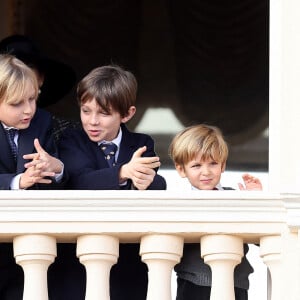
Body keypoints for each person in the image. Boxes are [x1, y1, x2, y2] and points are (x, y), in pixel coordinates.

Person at [58, 64, 166, 299]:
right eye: (86, 111)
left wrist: (149, 181)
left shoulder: (141, 143)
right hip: (78, 262)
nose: (92, 121)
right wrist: (123, 172)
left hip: (128, 264)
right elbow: (77, 182)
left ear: (127, 114)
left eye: (104, 113)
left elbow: (157, 188)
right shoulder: (70, 140)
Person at [0, 53, 70, 298]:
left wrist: (56, 167)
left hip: (32, 246)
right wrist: (17, 182)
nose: (28, 109)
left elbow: (63, 184)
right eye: (16, 103)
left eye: (32, 99)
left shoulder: (44, 122)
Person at [169, 124, 263, 300]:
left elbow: (260, 239)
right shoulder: (180, 204)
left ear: (223, 165)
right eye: (196, 165)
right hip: (193, 283)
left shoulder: (235, 198)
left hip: (235, 282)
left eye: (213, 163)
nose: (206, 172)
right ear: (181, 169)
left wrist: (255, 202)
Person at [0, 34, 78, 142]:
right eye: (10, 70)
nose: (20, 73)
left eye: (26, 67)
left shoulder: (64, 132)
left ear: (41, 78)